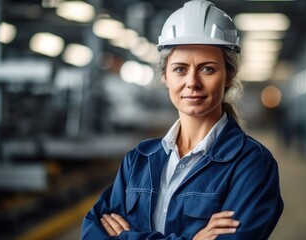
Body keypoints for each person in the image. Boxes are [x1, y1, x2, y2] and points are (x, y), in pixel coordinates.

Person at [81, 0, 283, 239]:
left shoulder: (252, 165)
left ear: (229, 76)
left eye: (207, 69)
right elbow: (92, 232)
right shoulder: (138, 161)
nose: (192, 82)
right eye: (180, 69)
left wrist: (126, 237)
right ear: (165, 76)